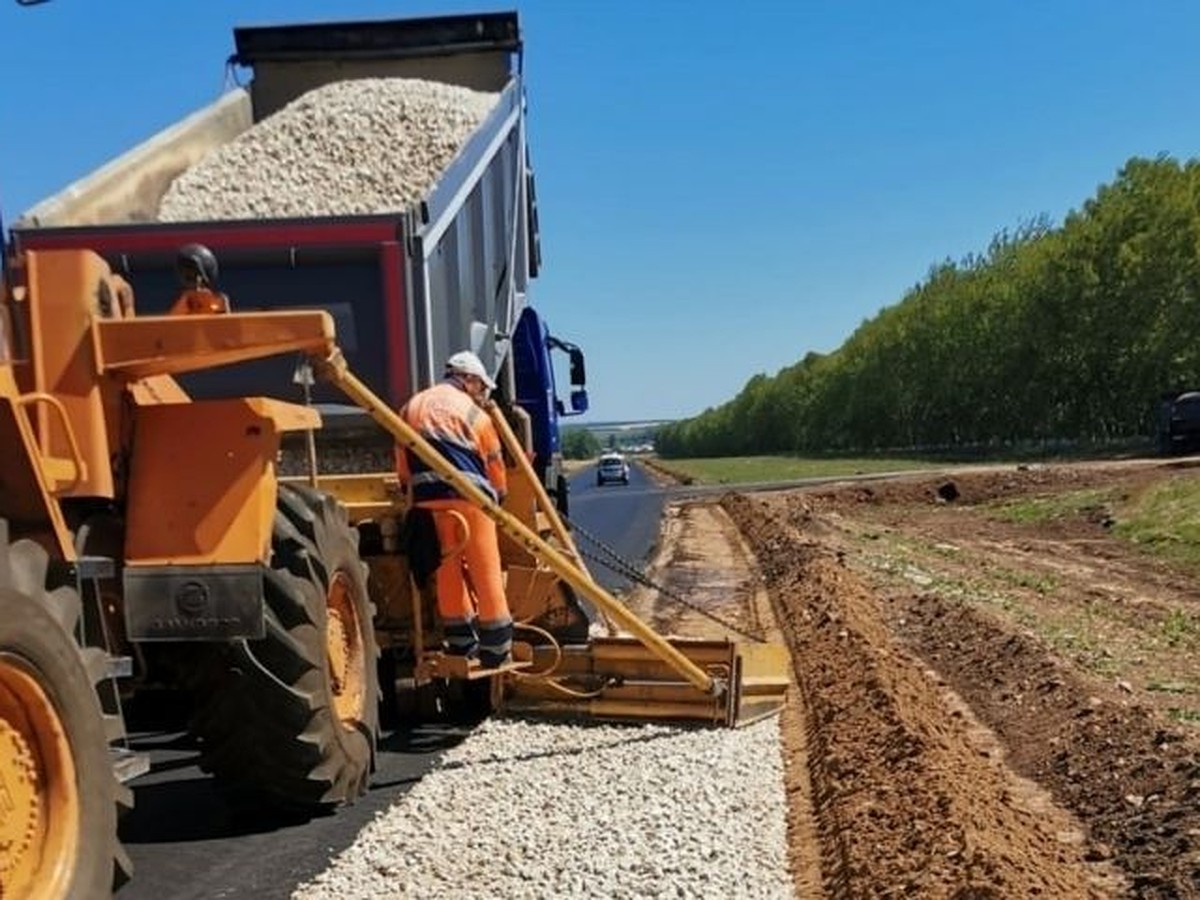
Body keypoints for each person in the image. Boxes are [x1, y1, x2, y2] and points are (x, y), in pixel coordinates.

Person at [396, 350, 513, 668]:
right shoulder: (475, 415)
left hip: (427, 502)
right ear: (469, 379)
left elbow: (403, 463)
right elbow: (494, 463)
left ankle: (461, 645)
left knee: (446, 570)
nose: (481, 394)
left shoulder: (411, 407)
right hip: (471, 501)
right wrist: (499, 498)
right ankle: (497, 648)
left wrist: (412, 491)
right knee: (485, 569)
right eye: (481, 386)